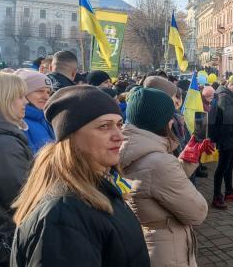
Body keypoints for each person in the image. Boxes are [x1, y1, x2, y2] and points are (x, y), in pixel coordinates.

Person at [10, 86, 150, 266]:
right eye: (104, 126)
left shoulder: (96, 187)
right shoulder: (63, 214)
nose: (119, 136)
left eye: (119, 124)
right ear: (71, 136)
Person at [119, 87, 210, 267]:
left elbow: (156, 186)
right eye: (170, 117)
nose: (171, 122)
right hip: (168, 250)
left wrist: (185, 160)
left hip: (147, 241)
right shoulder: (159, 163)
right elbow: (197, 212)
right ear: (159, 121)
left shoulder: (129, 148)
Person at [0, 72, 32, 267]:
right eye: (20, 97)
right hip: (6, 241)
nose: (25, 102)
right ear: (4, 99)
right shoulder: (5, 144)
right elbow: (19, 198)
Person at [210, 77, 233, 209]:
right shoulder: (224, 96)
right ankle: (216, 196)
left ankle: (229, 191)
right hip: (226, 136)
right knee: (222, 167)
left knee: (230, 166)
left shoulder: (230, 96)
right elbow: (229, 117)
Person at [14, 69, 55, 154]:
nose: (46, 97)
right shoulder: (18, 123)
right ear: (23, 93)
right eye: (40, 91)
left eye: (48, 92)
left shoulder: (45, 118)